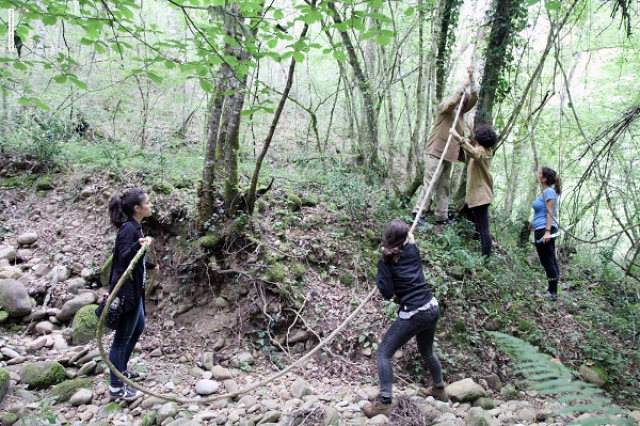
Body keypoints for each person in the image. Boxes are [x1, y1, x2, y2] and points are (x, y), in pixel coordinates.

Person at [362, 219, 449, 418]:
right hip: (432, 307)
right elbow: (411, 240)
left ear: (386, 238)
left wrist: (380, 276)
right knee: (426, 351)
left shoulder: (385, 262)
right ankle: (439, 389)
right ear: (405, 239)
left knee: (383, 352)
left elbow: (386, 293)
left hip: (415, 311)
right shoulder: (412, 250)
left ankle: (384, 402)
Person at [412, 67, 479, 232]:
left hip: (449, 155)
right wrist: (462, 86)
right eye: (462, 100)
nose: (463, 103)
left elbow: (474, 98)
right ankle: (417, 213)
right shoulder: (445, 108)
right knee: (430, 182)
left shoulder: (462, 116)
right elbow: (451, 102)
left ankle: (441, 217)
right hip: (435, 152)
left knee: (443, 186)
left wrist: (472, 80)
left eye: (465, 102)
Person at [106, 188, 158, 401]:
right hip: (126, 292)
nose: (151, 205)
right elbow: (122, 260)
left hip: (134, 289)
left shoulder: (135, 228)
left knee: (139, 327)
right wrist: (139, 246)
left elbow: (133, 260)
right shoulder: (129, 230)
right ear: (137, 208)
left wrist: (149, 263)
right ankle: (116, 386)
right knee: (120, 340)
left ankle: (122, 371)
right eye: (148, 203)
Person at [449, 125, 497, 258]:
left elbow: (473, 152)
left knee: (484, 229)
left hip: (481, 196)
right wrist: (471, 131)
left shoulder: (484, 152)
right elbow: (474, 145)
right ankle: (475, 234)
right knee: (468, 211)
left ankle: (485, 257)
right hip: (478, 195)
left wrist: (458, 137)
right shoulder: (483, 148)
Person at [529, 167, 562, 301]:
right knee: (551, 260)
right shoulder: (545, 192)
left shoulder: (548, 191)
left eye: (540, 173)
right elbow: (541, 211)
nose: (537, 174)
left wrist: (547, 231)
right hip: (542, 228)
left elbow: (550, 213)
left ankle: (552, 293)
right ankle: (552, 289)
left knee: (548, 262)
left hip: (545, 230)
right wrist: (533, 222)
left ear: (544, 178)